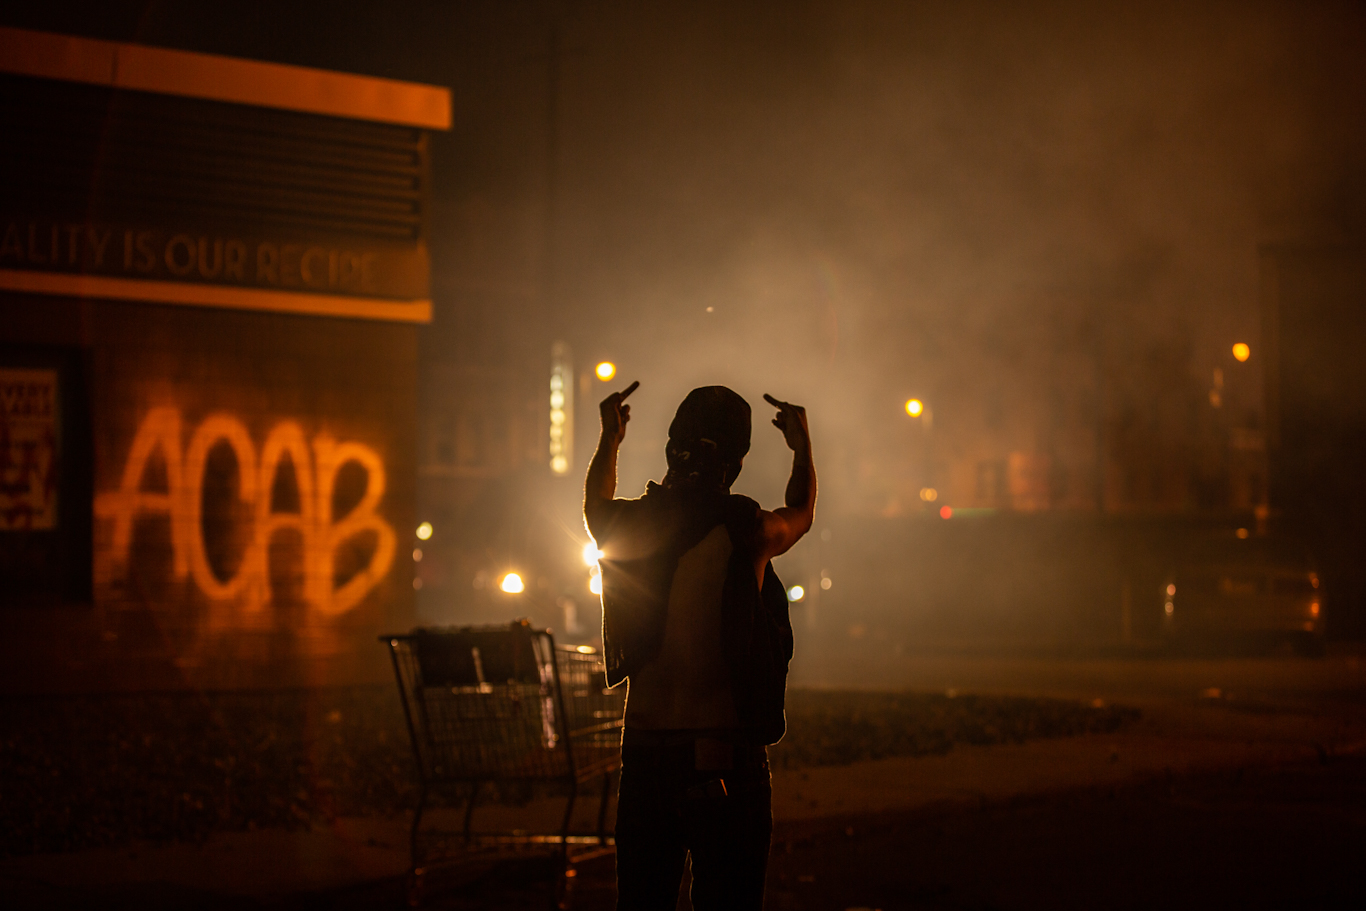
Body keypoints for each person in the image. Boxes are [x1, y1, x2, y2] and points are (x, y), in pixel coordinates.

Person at [583, 382, 816, 911]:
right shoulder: (747, 528)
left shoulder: (631, 524)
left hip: (647, 757)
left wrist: (609, 439)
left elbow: (595, 505)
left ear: (673, 446)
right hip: (726, 761)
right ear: (735, 459)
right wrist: (802, 449)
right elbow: (801, 510)